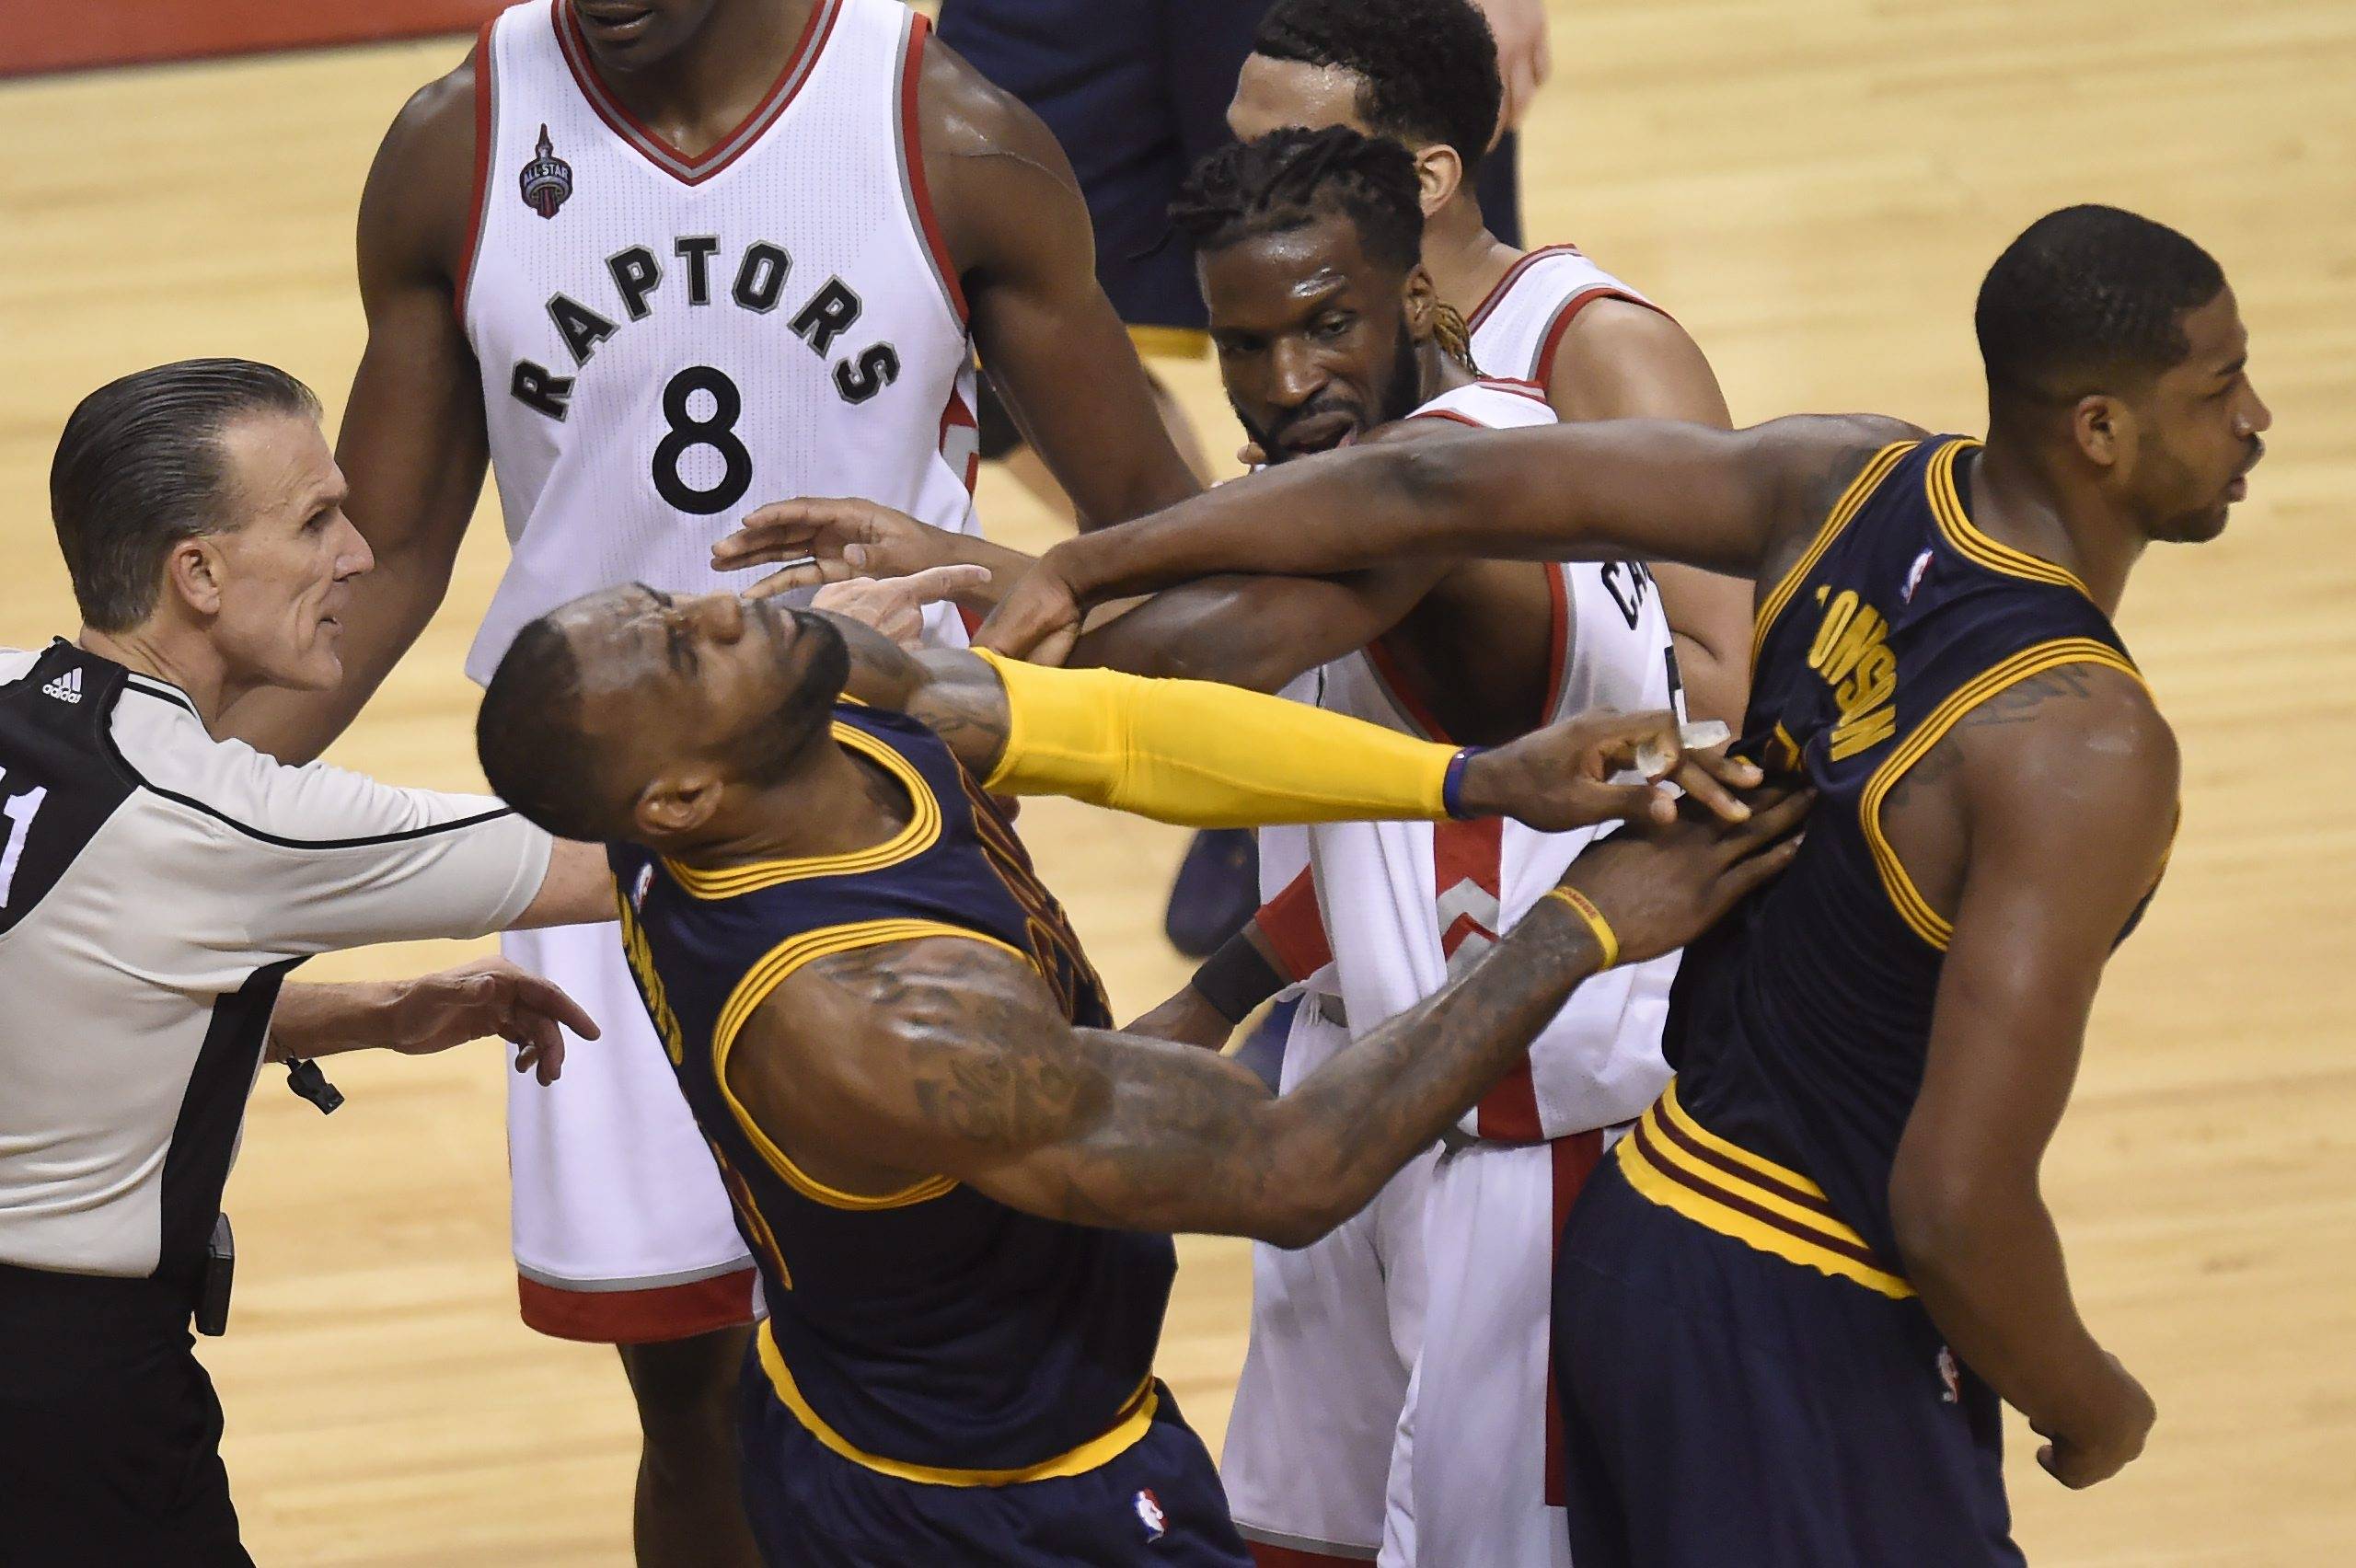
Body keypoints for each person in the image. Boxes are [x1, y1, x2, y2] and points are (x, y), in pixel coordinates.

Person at [976, 204, 2269, 1563]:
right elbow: (1956, 1206)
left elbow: (1428, 489)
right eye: (2217, 386)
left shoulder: (1851, 477)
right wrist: (2092, 1399)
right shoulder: (2086, 746)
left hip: (1641, 1230)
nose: (2254, 419)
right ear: (2101, 433)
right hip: (1804, 1314)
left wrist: (1085, 557)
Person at [214, 1, 1207, 1556]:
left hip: (896, 840)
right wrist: (182, 803)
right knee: (692, 1393)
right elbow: (389, 547)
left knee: (981, 1351)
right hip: (607, 844)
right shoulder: (455, 148)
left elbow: (1146, 520)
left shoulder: (955, 138)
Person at [715, 127, 1693, 1562]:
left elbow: (1204, 664)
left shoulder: (1444, 497)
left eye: (1325, 327)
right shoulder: (1411, 458)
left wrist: (925, 667)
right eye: (1242, 345)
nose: (1287, 383)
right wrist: (1225, 988)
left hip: (1535, 1138)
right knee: (1304, 1536)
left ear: (1418, 300)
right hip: (1383, 1083)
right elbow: (1356, 803)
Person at [472, 573, 1804, 1564]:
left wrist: (1468, 781)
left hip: (873, 1390)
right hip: (991, 1501)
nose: (723, 612)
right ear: (682, 806)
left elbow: (1110, 733)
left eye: (670, 603)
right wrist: (1579, 924)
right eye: (686, 655)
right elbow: (1290, 1167)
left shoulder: (817, 720)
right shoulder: (874, 1020)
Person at [0, 358, 631, 1567]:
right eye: (316, 521)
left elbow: (79, 975)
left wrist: (371, 1011)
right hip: (70, 1403)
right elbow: (615, 870)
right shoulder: (221, 815)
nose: (356, 556)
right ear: (198, 574)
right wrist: (854, 681)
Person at [1230, 0, 1752, 730]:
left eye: (1285, 159)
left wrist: (1402, 543)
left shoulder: (1595, 347)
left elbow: (1719, 701)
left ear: (1424, 181)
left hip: (1536, 839)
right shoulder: (1309, 367)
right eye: (1236, 150)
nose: (1237, 189)